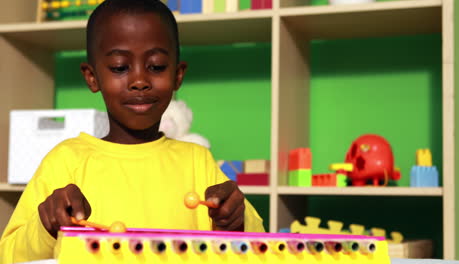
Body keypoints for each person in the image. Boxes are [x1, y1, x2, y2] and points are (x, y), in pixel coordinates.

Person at [0, 0, 264, 263]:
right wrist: (46, 226)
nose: (139, 81)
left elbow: (260, 247)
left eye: (157, 66)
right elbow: (8, 255)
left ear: (177, 75)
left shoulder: (197, 162)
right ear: (92, 77)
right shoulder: (66, 161)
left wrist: (234, 221)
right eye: (119, 67)